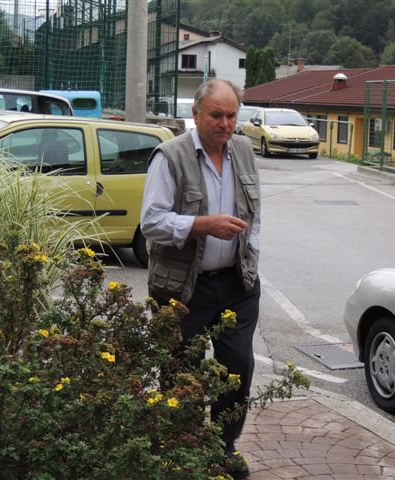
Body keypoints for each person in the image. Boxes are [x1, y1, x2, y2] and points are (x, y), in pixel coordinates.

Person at [140, 79, 260, 479]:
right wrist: (202, 225)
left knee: (237, 368)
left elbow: (253, 215)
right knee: (180, 373)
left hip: (236, 286)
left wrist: (251, 259)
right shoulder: (169, 157)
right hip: (181, 288)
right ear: (195, 114)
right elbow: (151, 223)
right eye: (216, 115)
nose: (225, 124)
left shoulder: (243, 149)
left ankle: (222, 449)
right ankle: (177, 451)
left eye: (231, 115)